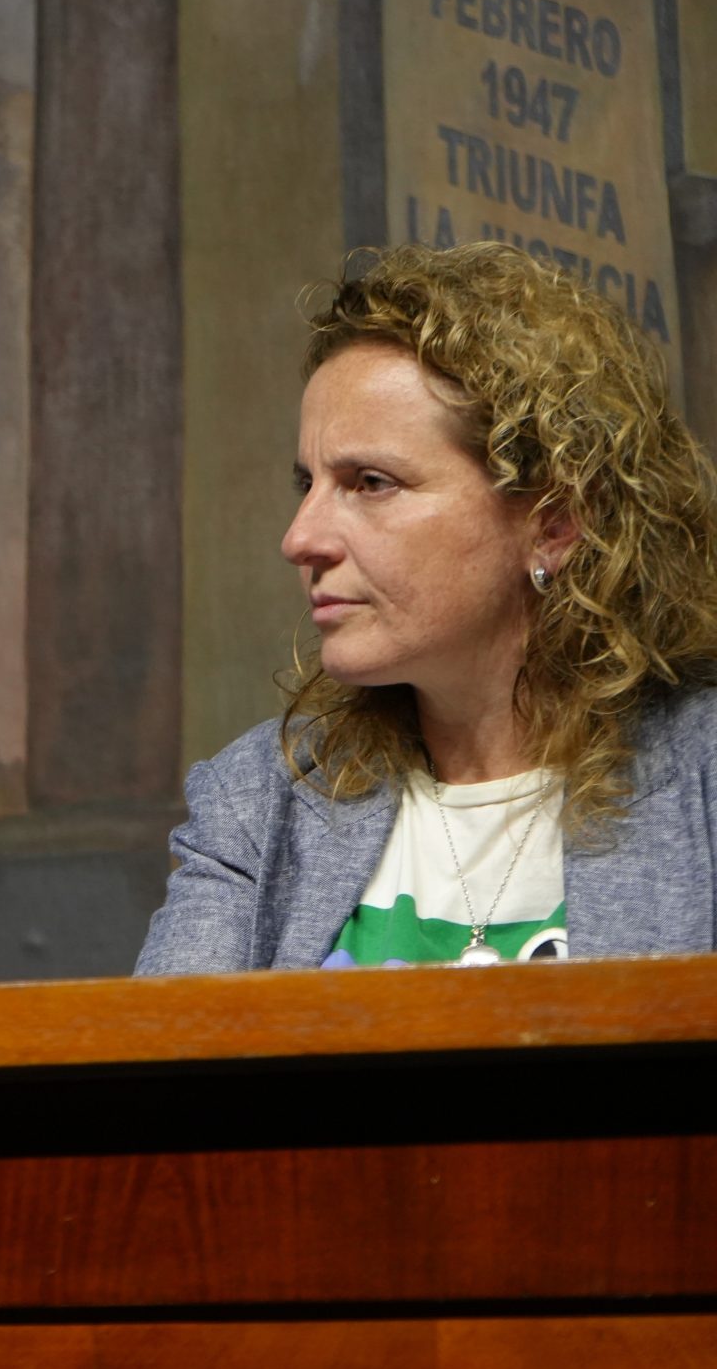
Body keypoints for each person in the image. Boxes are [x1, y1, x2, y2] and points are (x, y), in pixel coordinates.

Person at [138, 243, 717, 974]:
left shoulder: (702, 781)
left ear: (555, 523)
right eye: (307, 484)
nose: (300, 539)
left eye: (370, 482)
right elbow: (169, 1045)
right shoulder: (261, 800)